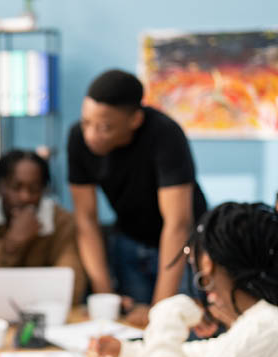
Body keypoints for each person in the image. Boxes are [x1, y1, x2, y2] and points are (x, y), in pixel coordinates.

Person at [88, 202, 278, 357]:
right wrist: (128, 353)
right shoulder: (264, 322)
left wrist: (168, 312)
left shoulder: (266, 327)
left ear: (207, 264)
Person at [68, 69, 207, 326]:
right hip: (130, 241)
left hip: (182, 248)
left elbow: (177, 224)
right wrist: (104, 292)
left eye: (105, 127)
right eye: (87, 122)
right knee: (128, 327)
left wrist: (158, 310)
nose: (91, 135)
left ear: (134, 120)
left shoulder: (165, 134)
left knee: (173, 327)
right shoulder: (78, 138)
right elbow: (85, 220)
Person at [0, 150, 86, 305]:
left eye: (34, 189)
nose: (25, 197)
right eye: (16, 187)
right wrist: (11, 244)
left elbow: (73, 287)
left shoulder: (61, 222)